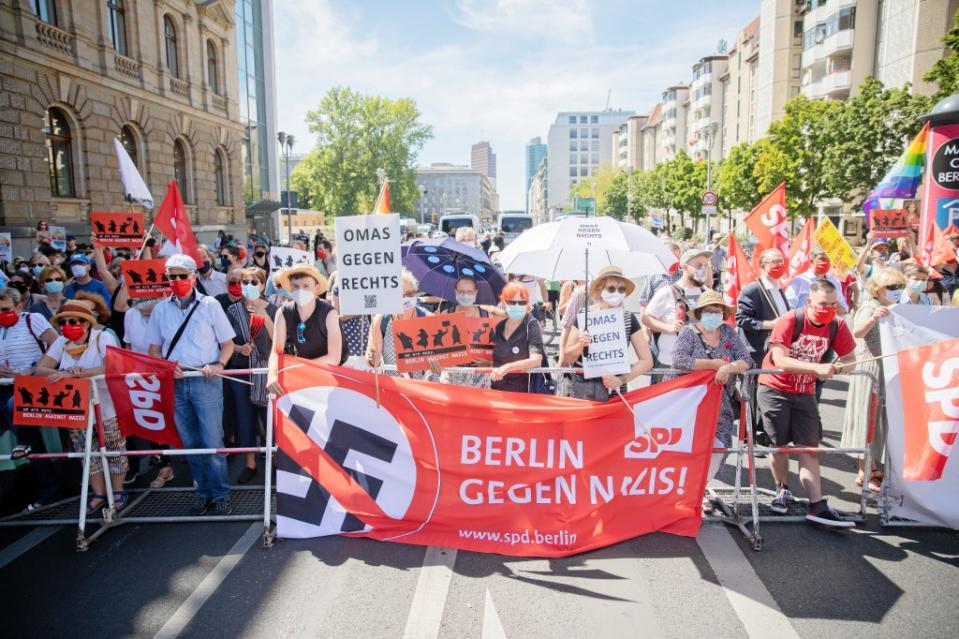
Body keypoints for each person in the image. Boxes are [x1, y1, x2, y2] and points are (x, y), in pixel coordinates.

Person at [757, 279, 857, 527]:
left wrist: (839, 368)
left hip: (806, 391)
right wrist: (815, 366)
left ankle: (817, 505)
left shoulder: (837, 325)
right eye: (824, 304)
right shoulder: (790, 320)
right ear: (809, 302)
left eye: (834, 304)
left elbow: (851, 360)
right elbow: (780, 359)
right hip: (775, 388)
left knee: (809, 448)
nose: (829, 309)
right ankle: (782, 489)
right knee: (779, 445)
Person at [146, 254, 236, 516]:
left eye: (181, 276)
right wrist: (164, 367)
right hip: (175, 382)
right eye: (171, 276)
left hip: (205, 380)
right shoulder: (161, 309)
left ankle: (221, 494)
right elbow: (153, 349)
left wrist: (218, 365)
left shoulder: (209, 305)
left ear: (193, 277)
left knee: (211, 440)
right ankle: (203, 492)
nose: (176, 280)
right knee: (190, 443)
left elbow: (227, 344)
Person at [35, 299, 129, 512]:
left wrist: (82, 374)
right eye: (64, 321)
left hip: (106, 405)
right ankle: (98, 494)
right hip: (75, 409)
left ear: (86, 323)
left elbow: (111, 366)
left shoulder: (102, 338)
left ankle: (118, 491)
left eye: (73, 321)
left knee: (114, 448)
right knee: (87, 450)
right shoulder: (60, 342)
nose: (68, 325)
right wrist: (61, 374)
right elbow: (42, 368)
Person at [672, 291, 752, 499]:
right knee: (691, 450)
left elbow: (746, 360)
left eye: (717, 311)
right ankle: (683, 494)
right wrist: (713, 365)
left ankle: (696, 493)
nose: (713, 315)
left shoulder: (728, 332)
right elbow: (680, 361)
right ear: (700, 313)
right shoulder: (689, 333)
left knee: (718, 448)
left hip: (721, 405)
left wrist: (728, 368)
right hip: (691, 405)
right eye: (708, 311)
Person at [840, 268, 904, 492]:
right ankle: (864, 469)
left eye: (899, 287)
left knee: (883, 419)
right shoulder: (869, 307)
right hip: (870, 366)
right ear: (879, 288)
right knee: (867, 416)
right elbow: (856, 333)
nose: (897, 291)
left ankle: (876, 465)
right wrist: (874, 319)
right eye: (892, 287)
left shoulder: (896, 308)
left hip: (889, 367)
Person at [0, 287, 59, 508]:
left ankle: (49, 491)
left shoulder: (32, 320)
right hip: (4, 385)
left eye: (5, 309)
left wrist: (34, 369)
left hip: (31, 387)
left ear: (19, 306)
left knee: (29, 438)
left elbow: (56, 344)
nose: (1, 313)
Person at [562, 266, 653, 401]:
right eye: (611, 288)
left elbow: (647, 361)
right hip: (583, 389)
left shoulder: (628, 318)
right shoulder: (584, 316)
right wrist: (580, 345)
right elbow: (567, 357)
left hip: (616, 391)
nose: (617, 292)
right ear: (599, 289)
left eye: (621, 289)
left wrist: (621, 379)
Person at [225, 267, 276, 483]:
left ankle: (275, 460)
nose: (249, 287)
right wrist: (238, 349)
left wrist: (263, 315)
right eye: (245, 283)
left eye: (254, 283)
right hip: (241, 370)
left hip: (266, 370)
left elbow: (280, 340)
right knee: (244, 418)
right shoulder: (232, 310)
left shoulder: (273, 309)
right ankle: (250, 463)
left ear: (263, 285)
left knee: (270, 418)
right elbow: (226, 342)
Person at [267, 265, 342, 393]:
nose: (300, 290)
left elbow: (334, 358)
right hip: (301, 377)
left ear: (316, 288)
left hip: (330, 377)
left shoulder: (329, 313)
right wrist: (272, 375)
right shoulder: (283, 312)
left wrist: (298, 368)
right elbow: (276, 350)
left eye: (306, 286)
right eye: (296, 286)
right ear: (290, 288)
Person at [643, 248, 711, 371]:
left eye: (705, 266)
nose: (703, 269)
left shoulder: (707, 293)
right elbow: (646, 318)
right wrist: (668, 327)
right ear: (685, 267)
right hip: (670, 364)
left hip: (700, 364)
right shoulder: (667, 292)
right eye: (699, 265)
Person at [431, 276, 493, 389]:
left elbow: (499, 350)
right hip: (451, 378)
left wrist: (489, 364)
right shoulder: (445, 315)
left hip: (480, 380)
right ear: (455, 292)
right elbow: (435, 349)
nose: (465, 295)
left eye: (469, 292)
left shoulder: (488, 316)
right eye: (461, 291)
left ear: (476, 293)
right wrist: (438, 364)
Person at [366, 270, 430, 378]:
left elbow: (445, 359)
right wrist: (373, 359)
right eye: (400, 295)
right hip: (395, 389)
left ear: (416, 294)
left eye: (409, 294)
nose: (405, 299)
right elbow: (372, 361)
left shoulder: (428, 318)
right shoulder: (381, 320)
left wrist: (438, 366)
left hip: (425, 389)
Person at [736, 248, 790, 366]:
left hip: (778, 349)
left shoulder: (779, 289)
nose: (778, 265)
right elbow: (741, 319)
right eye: (773, 262)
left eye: (780, 261)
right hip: (758, 351)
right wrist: (770, 324)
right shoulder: (752, 290)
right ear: (762, 266)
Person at [489, 282, 544, 393]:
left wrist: (508, 368)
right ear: (504, 303)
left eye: (522, 302)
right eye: (513, 302)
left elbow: (536, 360)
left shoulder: (532, 325)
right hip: (496, 391)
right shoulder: (500, 326)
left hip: (521, 394)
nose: (517, 306)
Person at [786, 249, 849, 315]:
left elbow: (844, 310)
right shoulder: (799, 281)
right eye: (822, 259)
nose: (826, 262)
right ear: (811, 261)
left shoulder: (835, 282)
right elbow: (789, 307)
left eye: (828, 259)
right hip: (804, 323)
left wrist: (831, 303)